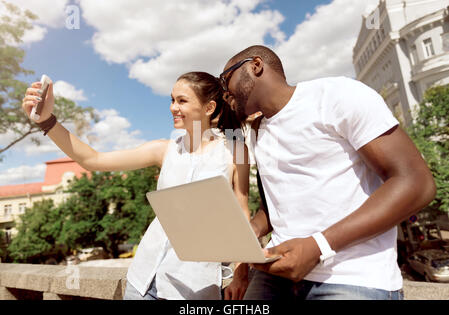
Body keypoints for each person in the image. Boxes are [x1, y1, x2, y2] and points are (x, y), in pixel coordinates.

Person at [219, 45, 436, 300]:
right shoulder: (258, 131)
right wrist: (251, 230)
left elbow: (416, 182)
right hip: (275, 276)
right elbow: (277, 206)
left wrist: (317, 246)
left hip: (351, 278)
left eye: (226, 81)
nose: (225, 94)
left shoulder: (338, 95)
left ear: (256, 65)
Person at [22, 71, 251, 300]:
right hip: (142, 280)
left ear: (209, 108)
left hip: (193, 286)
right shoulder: (163, 150)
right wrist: (47, 120)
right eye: (172, 100)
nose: (173, 107)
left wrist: (241, 274)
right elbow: (93, 160)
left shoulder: (235, 152)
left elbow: (242, 215)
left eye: (182, 100)